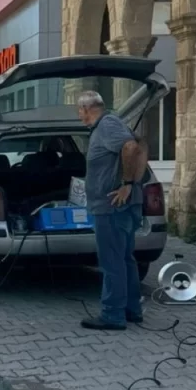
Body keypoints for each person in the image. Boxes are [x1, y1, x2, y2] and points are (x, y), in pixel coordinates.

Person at [75, 90, 147, 331]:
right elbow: (141, 143)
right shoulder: (113, 124)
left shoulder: (106, 125)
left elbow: (131, 147)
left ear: (87, 108)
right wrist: (134, 184)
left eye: (79, 110)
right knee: (125, 259)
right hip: (119, 207)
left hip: (111, 208)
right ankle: (131, 310)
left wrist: (127, 185)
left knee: (112, 262)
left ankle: (113, 315)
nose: (79, 116)